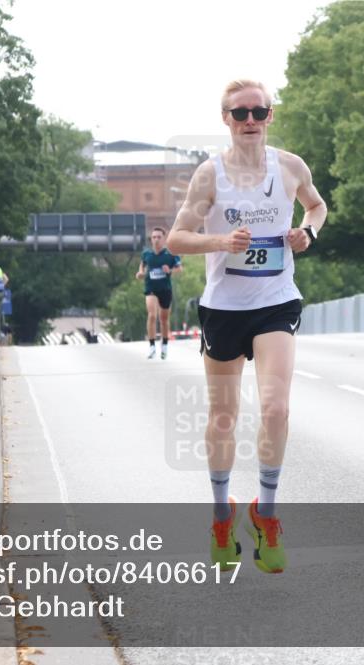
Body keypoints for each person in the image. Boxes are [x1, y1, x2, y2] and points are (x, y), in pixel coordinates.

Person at [167, 79, 327, 574]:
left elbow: (317, 206)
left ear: (270, 116)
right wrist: (220, 243)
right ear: (226, 120)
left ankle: (267, 513)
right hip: (224, 308)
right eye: (241, 114)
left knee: (276, 407)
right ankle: (221, 516)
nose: (251, 120)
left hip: (276, 300)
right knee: (223, 418)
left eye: (259, 111)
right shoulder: (209, 176)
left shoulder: (290, 167)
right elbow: (176, 239)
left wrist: (308, 233)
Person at [136, 227, 182, 359]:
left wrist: (170, 270)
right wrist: (140, 273)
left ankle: (165, 345)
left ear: (164, 239)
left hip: (165, 289)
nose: (156, 240)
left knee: (164, 319)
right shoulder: (146, 254)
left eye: (158, 237)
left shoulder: (171, 254)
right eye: (153, 237)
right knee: (151, 315)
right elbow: (142, 266)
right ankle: (151, 346)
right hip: (150, 287)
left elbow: (179, 268)